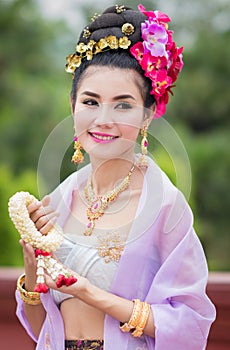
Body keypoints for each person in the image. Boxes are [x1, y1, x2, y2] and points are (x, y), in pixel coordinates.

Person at [15, 4, 216, 350]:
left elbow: (189, 325)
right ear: (72, 105)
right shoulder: (61, 200)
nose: (103, 119)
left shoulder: (165, 205)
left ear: (148, 114)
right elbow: (41, 329)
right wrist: (32, 269)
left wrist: (89, 292)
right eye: (91, 102)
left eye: (123, 105)